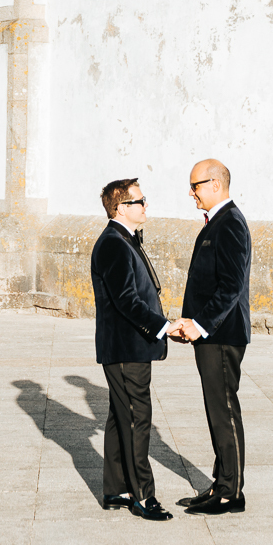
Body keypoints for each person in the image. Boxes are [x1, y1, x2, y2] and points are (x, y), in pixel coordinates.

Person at [168, 158, 252, 515]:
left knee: (224, 410)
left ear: (216, 184)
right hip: (210, 334)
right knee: (216, 409)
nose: (191, 192)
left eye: (196, 185)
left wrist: (199, 324)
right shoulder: (217, 223)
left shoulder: (230, 223)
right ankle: (222, 483)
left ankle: (231, 492)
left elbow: (231, 287)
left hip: (221, 334)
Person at [90, 177, 173, 521]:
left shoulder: (123, 239)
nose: (146, 205)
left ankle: (115, 489)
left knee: (119, 416)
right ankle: (142, 496)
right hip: (127, 348)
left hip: (128, 346)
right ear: (121, 207)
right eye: (140, 200)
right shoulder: (113, 243)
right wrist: (163, 326)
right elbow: (126, 300)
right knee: (139, 418)